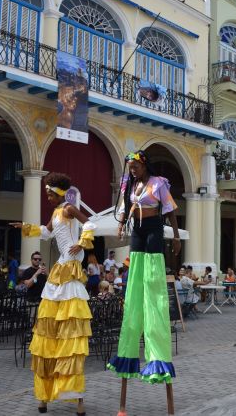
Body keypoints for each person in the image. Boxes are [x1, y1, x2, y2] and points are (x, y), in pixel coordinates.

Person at [10, 172, 95, 415]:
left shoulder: (68, 208)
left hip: (69, 264)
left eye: (49, 193)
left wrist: (83, 241)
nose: (46, 196)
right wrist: (25, 228)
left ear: (58, 192)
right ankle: (45, 396)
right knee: (48, 327)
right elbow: (47, 233)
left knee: (70, 329)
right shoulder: (56, 212)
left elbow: (89, 222)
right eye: (46, 193)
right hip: (61, 265)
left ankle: (74, 396)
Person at [108, 150, 181, 415]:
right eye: (130, 167)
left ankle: (156, 352)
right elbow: (126, 208)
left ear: (144, 164)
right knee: (135, 267)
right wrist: (119, 227)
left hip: (153, 228)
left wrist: (175, 237)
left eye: (136, 166)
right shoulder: (130, 184)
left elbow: (171, 211)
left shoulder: (158, 183)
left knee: (152, 273)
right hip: (137, 230)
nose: (133, 170)